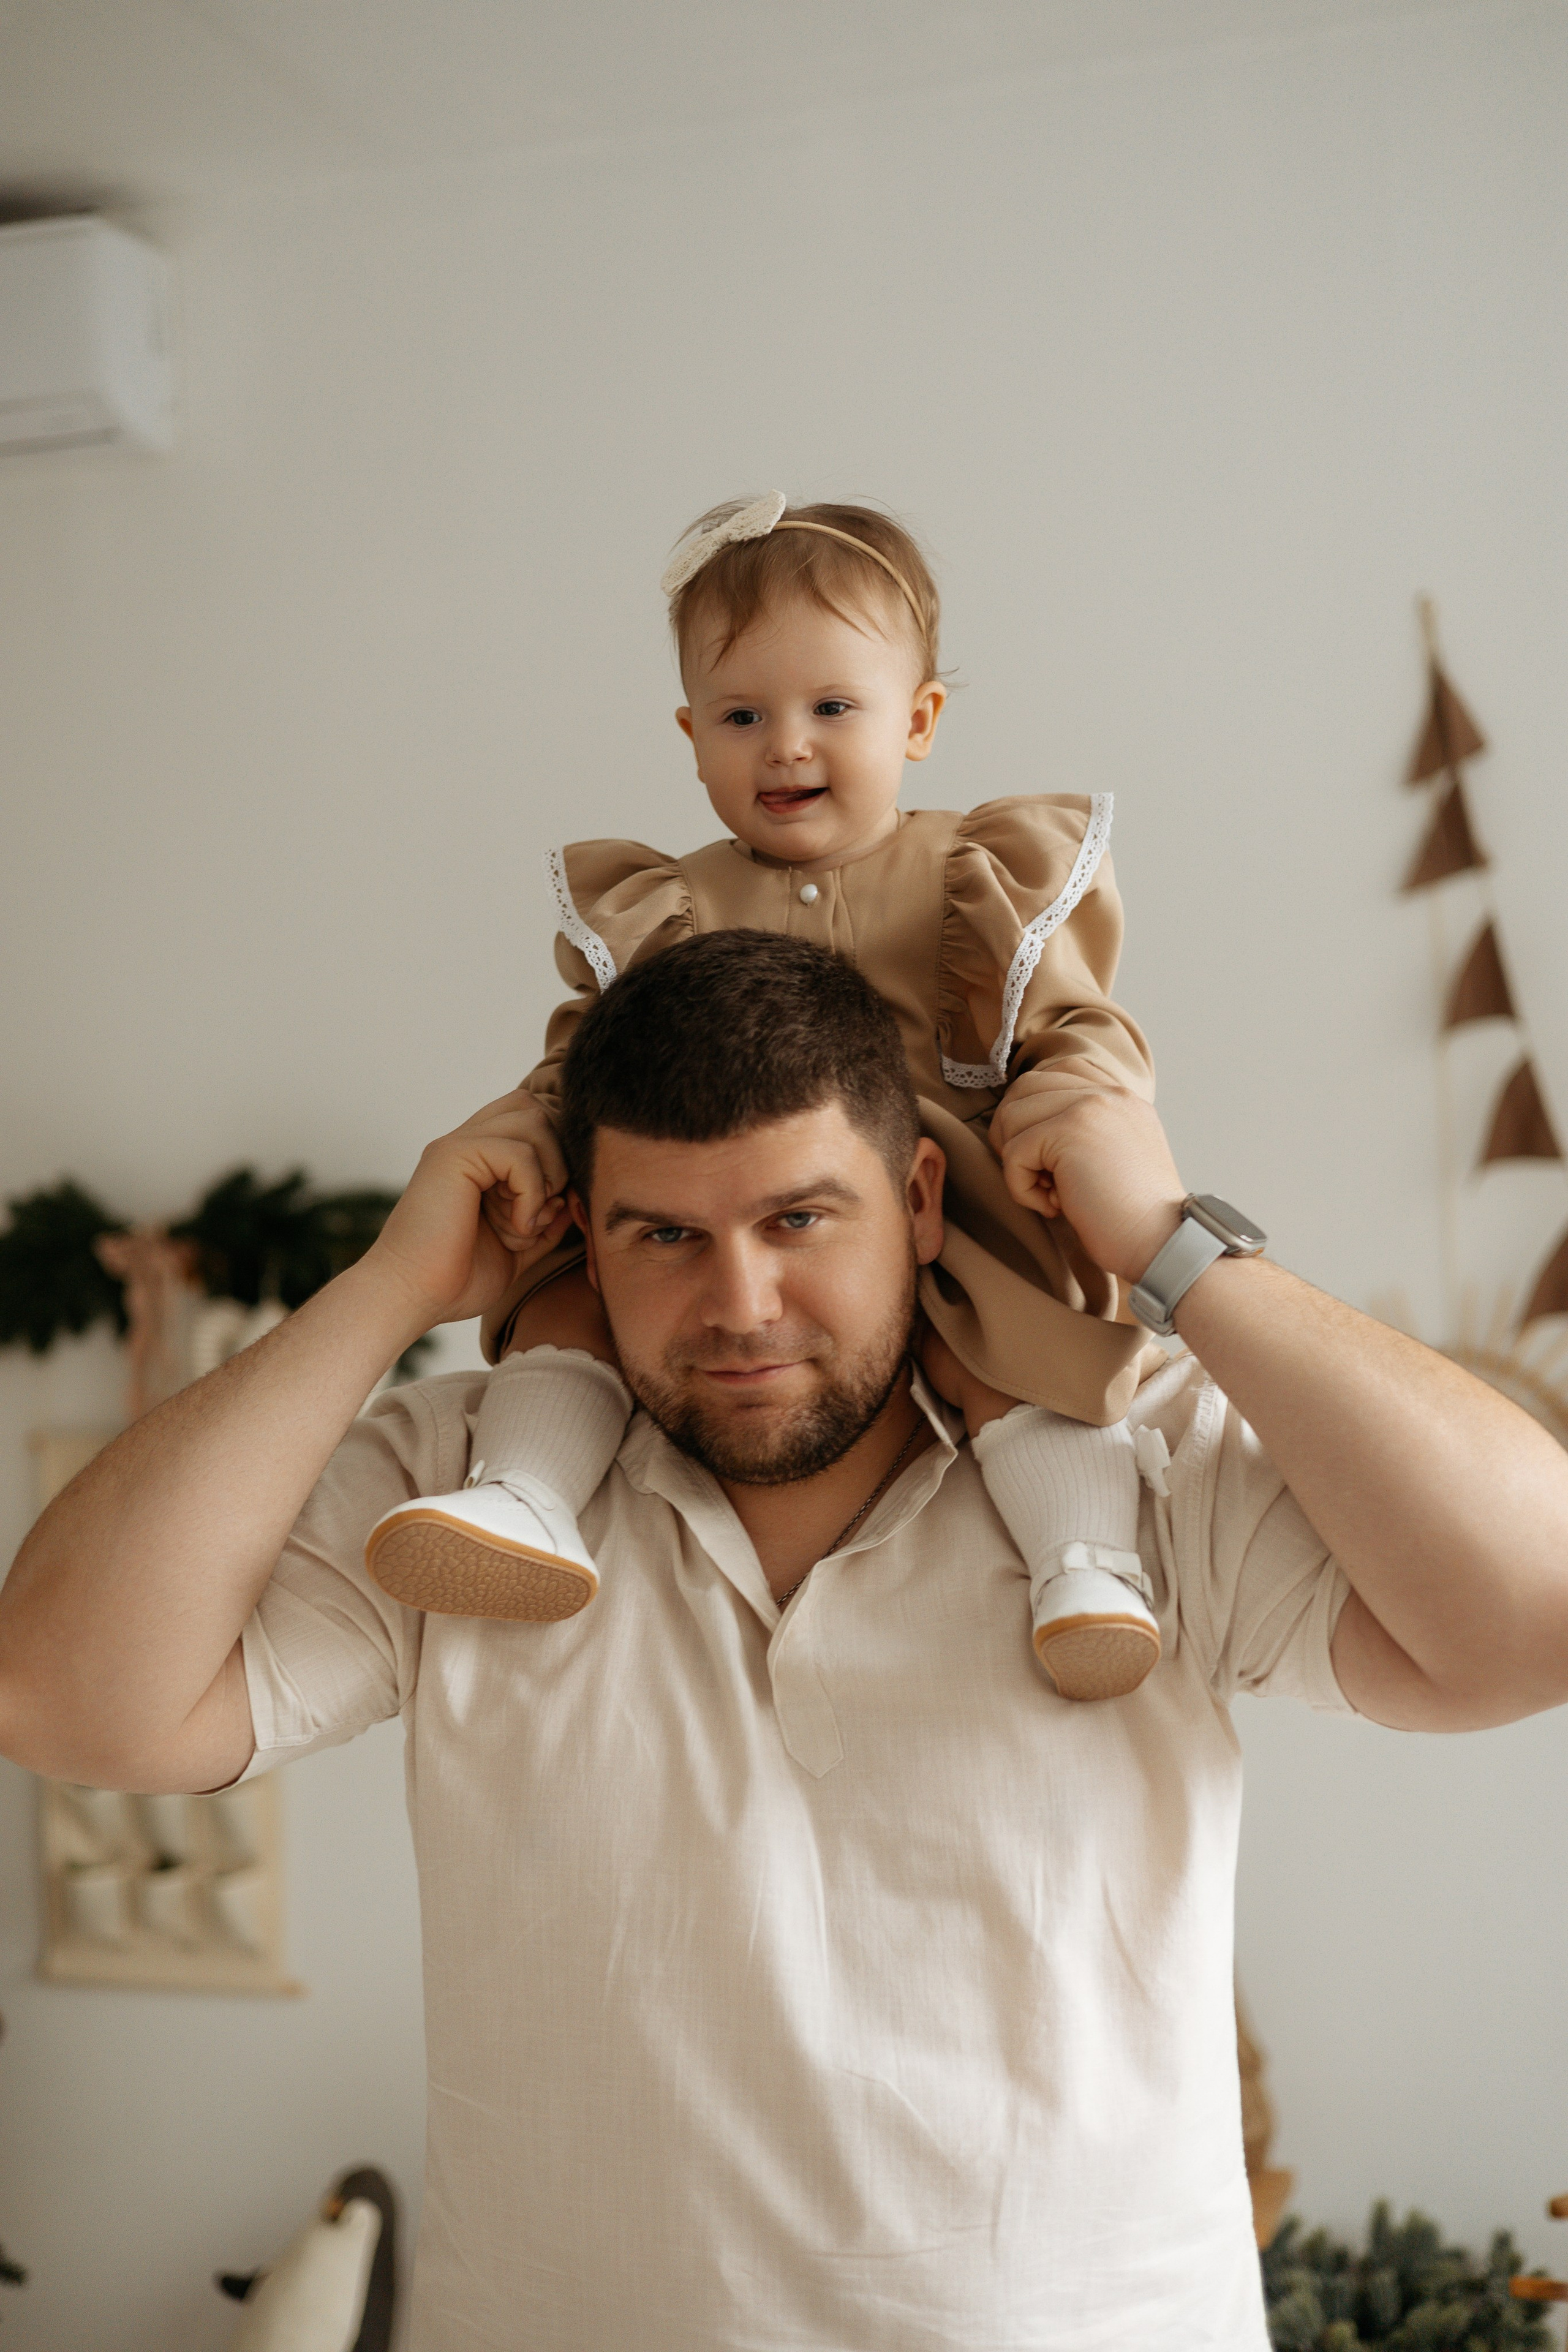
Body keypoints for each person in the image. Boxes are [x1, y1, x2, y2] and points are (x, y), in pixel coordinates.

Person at [6, 933, 1568, 2348]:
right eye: (661, 1236)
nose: (738, 1303)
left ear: (918, 1202)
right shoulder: (472, 1489)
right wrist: (388, 1284)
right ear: (580, 1236)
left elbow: (1534, 1616)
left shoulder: (1129, 1464)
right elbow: (69, 1700)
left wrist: (1172, 1247)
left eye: (797, 1218)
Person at [362, 492, 1167, 1700]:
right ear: (690, 736)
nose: (784, 745)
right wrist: (532, 1138)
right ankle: (525, 1496)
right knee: (571, 1302)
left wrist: (1084, 1107)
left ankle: (1085, 1565)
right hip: (715, 1203)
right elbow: (593, 1064)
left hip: (952, 1185)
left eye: (830, 708)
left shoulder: (974, 877)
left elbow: (1073, 1025)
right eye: (742, 715)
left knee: (1009, 1350)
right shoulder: (663, 907)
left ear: (919, 719)